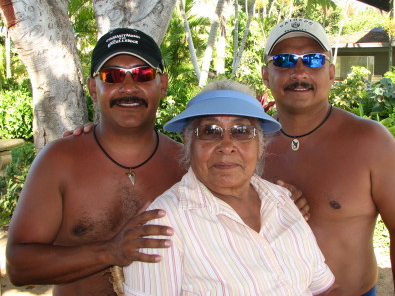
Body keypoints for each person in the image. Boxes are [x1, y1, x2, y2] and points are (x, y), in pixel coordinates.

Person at [6, 28, 186, 296]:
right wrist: (110, 251)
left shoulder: (185, 164)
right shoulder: (60, 161)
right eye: (111, 76)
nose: (128, 87)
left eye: (142, 74)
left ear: (162, 84)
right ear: (93, 87)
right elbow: (19, 267)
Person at [122, 80, 344, 296]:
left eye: (241, 131)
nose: (226, 146)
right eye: (210, 131)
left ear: (260, 145)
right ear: (189, 142)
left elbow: (325, 288)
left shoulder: (282, 199)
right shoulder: (162, 224)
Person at [260, 18, 395, 296]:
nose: (299, 70)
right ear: (266, 75)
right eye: (284, 60)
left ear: (332, 73)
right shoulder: (247, 144)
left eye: (313, 60)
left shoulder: (370, 141)